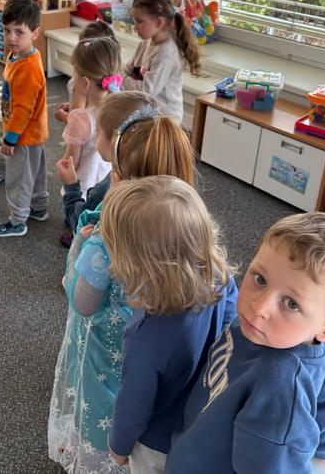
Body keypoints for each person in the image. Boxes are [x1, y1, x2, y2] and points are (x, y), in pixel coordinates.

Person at [48, 106, 198, 473]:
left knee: (101, 402)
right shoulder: (189, 227)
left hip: (104, 346)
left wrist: (78, 249)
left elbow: (83, 302)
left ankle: (100, 453)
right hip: (153, 346)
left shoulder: (105, 239)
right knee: (136, 397)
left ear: (118, 178)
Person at [166, 212, 325, 474]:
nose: (259, 307)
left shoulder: (280, 384)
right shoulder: (262, 334)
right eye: (260, 280)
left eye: (291, 304)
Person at [102, 176, 237, 473]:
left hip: (157, 441)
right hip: (206, 417)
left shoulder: (145, 335)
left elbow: (133, 406)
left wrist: (119, 446)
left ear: (135, 262)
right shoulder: (219, 277)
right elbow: (231, 323)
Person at [57, 91, 159, 242]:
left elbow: (80, 223)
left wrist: (71, 186)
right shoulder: (156, 175)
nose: (96, 136)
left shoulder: (106, 190)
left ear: (114, 141)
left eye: (97, 132)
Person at [0, 0, 49, 238]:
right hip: (32, 132)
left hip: (23, 135)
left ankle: (17, 221)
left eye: (19, 32)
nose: (11, 38)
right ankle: (39, 207)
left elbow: (23, 109)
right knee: (34, 172)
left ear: (35, 33)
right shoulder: (20, 56)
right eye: (7, 31)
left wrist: (10, 139)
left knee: (18, 178)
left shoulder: (28, 68)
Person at [121, 0, 201, 123]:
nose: (135, 27)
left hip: (165, 121)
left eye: (139, 21)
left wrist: (120, 80)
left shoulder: (166, 53)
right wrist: (120, 77)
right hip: (147, 114)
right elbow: (127, 70)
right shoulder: (144, 44)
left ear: (159, 22)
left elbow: (147, 90)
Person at [60, 36, 122, 201]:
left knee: (78, 215)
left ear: (85, 83)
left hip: (83, 188)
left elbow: (71, 163)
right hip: (109, 183)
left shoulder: (80, 119)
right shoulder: (120, 109)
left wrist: (63, 168)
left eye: (74, 75)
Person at [54, 20, 120, 125]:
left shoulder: (80, 85)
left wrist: (62, 116)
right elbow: (92, 109)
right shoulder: (111, 80)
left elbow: (77, 122)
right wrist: (71, 105)